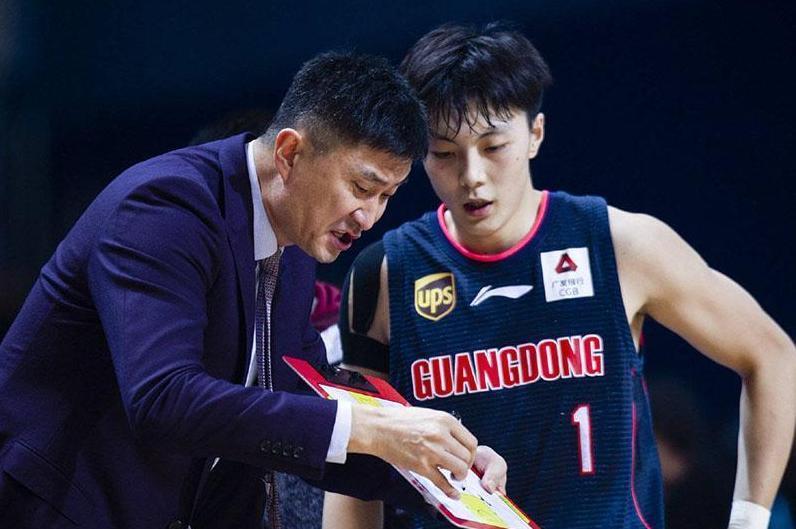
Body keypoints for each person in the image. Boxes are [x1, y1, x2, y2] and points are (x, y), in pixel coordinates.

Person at [0, 51, 505, 529]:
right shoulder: (163, 209)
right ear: (289, 153)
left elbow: (302, 395)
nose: (369, 217)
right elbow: (162, 398)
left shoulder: (296, 245)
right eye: (361, 188)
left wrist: (444, 475)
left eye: (386, 196)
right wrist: (369, 428)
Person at [323, 24, 796, 529]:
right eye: (444, 153)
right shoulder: (384, 275)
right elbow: (360, 461)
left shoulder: (621, 245)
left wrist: (750, 520)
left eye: (493, 147)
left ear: (535, 134)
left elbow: (772, 355)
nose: (472, 175)